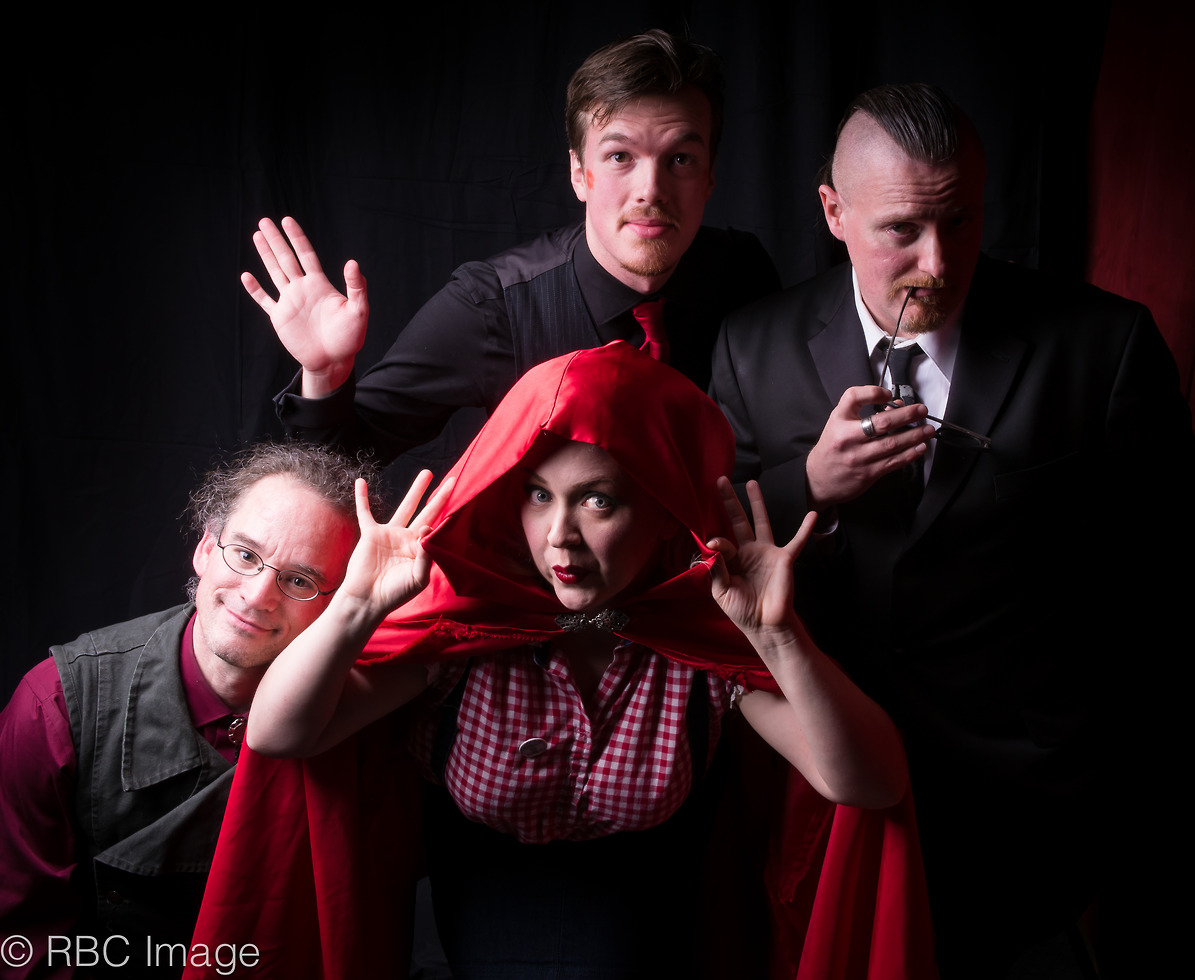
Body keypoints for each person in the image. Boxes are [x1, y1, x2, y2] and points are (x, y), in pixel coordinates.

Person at [184, 342, 936, 980]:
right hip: (473, 927)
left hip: (656, 938)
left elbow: (869, 785)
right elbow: (279, 736)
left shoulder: (702, 641)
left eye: (598, 501)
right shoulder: (464, 618)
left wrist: (782, 641)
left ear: (665, 509)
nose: (559, 537)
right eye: (539, 495)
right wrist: (355, 606)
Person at [709, 84, 1195, 976]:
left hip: (1031, 809)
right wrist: (809, 484)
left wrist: (1090, 754)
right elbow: (715, 548)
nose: (936, 263)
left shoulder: (1103, 345)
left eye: (961, 221)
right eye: (902, 230)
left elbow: (1175, 578)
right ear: (833, 212)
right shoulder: (753, 346)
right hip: (826, 795)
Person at [243, 28, 779, 470]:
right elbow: (333, 465)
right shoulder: (493, 305)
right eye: (620, 157)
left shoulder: (743, 273)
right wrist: (325, 374)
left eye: (680, 159)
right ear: (579, 173)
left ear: (710, 175)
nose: (651, 190)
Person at [0, 443, 371, 979]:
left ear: (339, 602)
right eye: (245, 555)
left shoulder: (365, 714)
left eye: (300, 580)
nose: (257, 596)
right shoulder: (53, 706)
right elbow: (23, 948)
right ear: (204, 550)